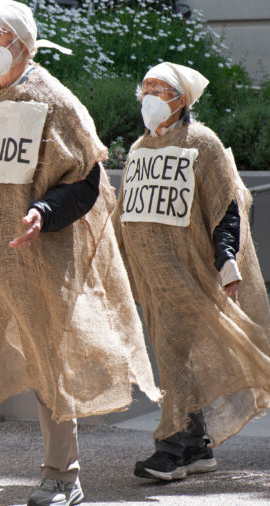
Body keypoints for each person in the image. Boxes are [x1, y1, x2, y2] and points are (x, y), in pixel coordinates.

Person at [0, 1, 159, 505]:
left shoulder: (55, 101)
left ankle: (61, 476)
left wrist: (44, 213)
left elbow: (87, 180)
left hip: (37, 263)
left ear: (22, 42)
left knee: (51, 364)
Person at [115, 62, 270, 482]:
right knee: (175, 359)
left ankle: (172, 449)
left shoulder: (202, 143)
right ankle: (197, 445)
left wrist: (226, 260)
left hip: (191, 275)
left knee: (174, 357)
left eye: (159, 89)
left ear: (181, 99)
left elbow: (226, 207)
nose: (149, 95)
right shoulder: (139, 149)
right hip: (153, 279)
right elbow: (126, 211)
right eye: (145, 86)